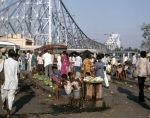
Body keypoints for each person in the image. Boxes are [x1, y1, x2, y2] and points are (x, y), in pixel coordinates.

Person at [1, 49, 20, 117]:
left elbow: (0, 71)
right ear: (13, 55)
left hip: (5, 82)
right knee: (11, 98)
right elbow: (18, 73)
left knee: (3, 96)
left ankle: (4, 105)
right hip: (13, 83)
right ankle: (9, 112)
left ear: (8, 54)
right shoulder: (16, 62)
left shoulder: (4, 61)